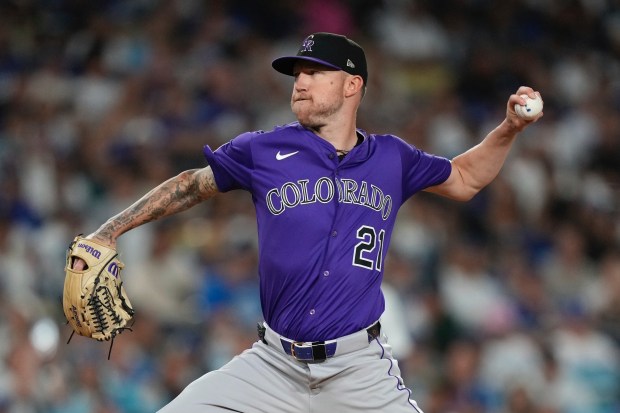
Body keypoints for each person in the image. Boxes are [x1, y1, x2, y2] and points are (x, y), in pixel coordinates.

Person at [72, 32, 543, 412]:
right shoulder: (263, 149)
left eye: (316, 72)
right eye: (298, 73)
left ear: (352, 84)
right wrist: (109, 230)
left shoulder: (392, 158)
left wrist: (508, 130)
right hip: (273, 365)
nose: (300, 82)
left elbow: (464, 178)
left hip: (359, 370)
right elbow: (191, 184)